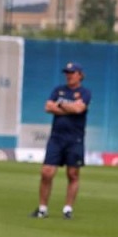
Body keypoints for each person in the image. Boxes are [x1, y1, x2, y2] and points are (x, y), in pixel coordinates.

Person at [30, 61, 91, 219]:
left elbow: (79, 109)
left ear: (79, 75)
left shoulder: (84, 92)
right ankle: (43, 208)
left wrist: (61, 105)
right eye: (67, 73)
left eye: (72, 73)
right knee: (47, 172)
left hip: (74, 138)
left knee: (73, 174)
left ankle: (67, 209)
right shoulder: (58, 90)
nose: (68, 76)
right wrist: (69, 108)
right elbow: (48, 107)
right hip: (57, 137)